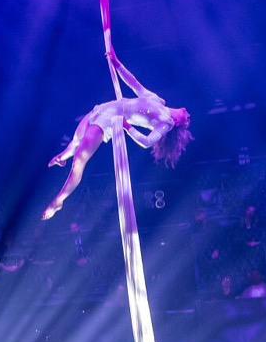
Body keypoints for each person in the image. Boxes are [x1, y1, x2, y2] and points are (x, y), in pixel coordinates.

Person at [43, 52, 192, 221]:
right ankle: (61, 158)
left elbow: (147, 142)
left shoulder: (166, 123)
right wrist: (116, 62)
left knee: (79, 159)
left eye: (187, 120)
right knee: (76, 141)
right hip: (104, 109)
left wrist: (127, 126)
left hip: (109, 120)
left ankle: (59, 200)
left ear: (178, 123)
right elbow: (134, 84)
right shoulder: (158, 101)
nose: (188, 115)